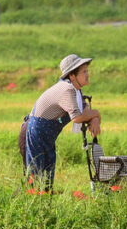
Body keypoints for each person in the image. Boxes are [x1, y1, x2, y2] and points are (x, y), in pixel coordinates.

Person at [23, 54, 101, 191]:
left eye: (87, 71)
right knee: (36, 171)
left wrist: (94, 118)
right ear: (72, 75)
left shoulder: (76, 90)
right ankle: (32, 199)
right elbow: (77, 117)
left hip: (46, 134)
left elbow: (84, 108)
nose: (88, 74)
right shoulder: (67, 89)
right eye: (84, 72)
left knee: (48, 170)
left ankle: (45, 198)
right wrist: (96, 114)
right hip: (36, 131)